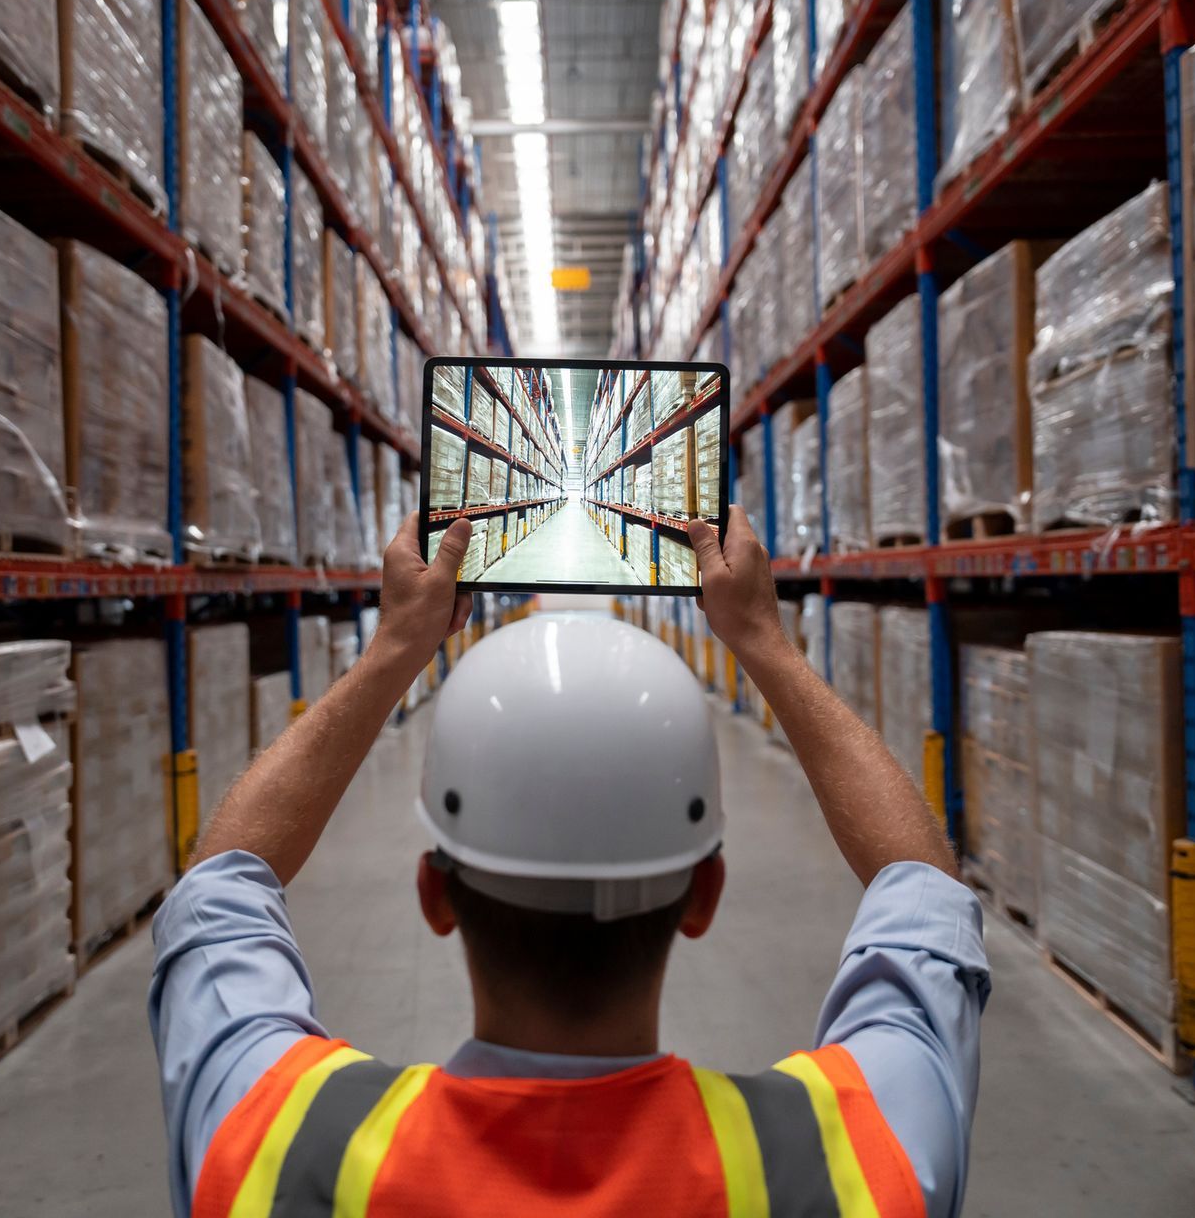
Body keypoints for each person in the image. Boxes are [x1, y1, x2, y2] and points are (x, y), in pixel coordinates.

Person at [150, 507, 990, 1217]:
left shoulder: (273, 1146)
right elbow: (922, 894)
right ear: (707, 896)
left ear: (432, 895)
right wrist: (763, 641)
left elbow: (218, 888)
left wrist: (397, 646)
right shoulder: (854, 1170)